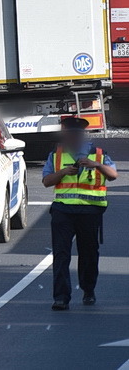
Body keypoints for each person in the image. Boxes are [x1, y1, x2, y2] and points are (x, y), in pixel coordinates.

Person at [42, 115, 117, 310]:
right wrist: (63, 173)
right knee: (61, 254)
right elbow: (46, 181)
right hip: (63, 211)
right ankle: (61, 297)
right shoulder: (55, 155)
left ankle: (88, 289)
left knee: (89, 253)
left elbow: (113, 175)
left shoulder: (99, 154)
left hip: (90, 211)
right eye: (69, 135)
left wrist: (97, 165)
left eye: (76, 135)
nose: (72, 139)